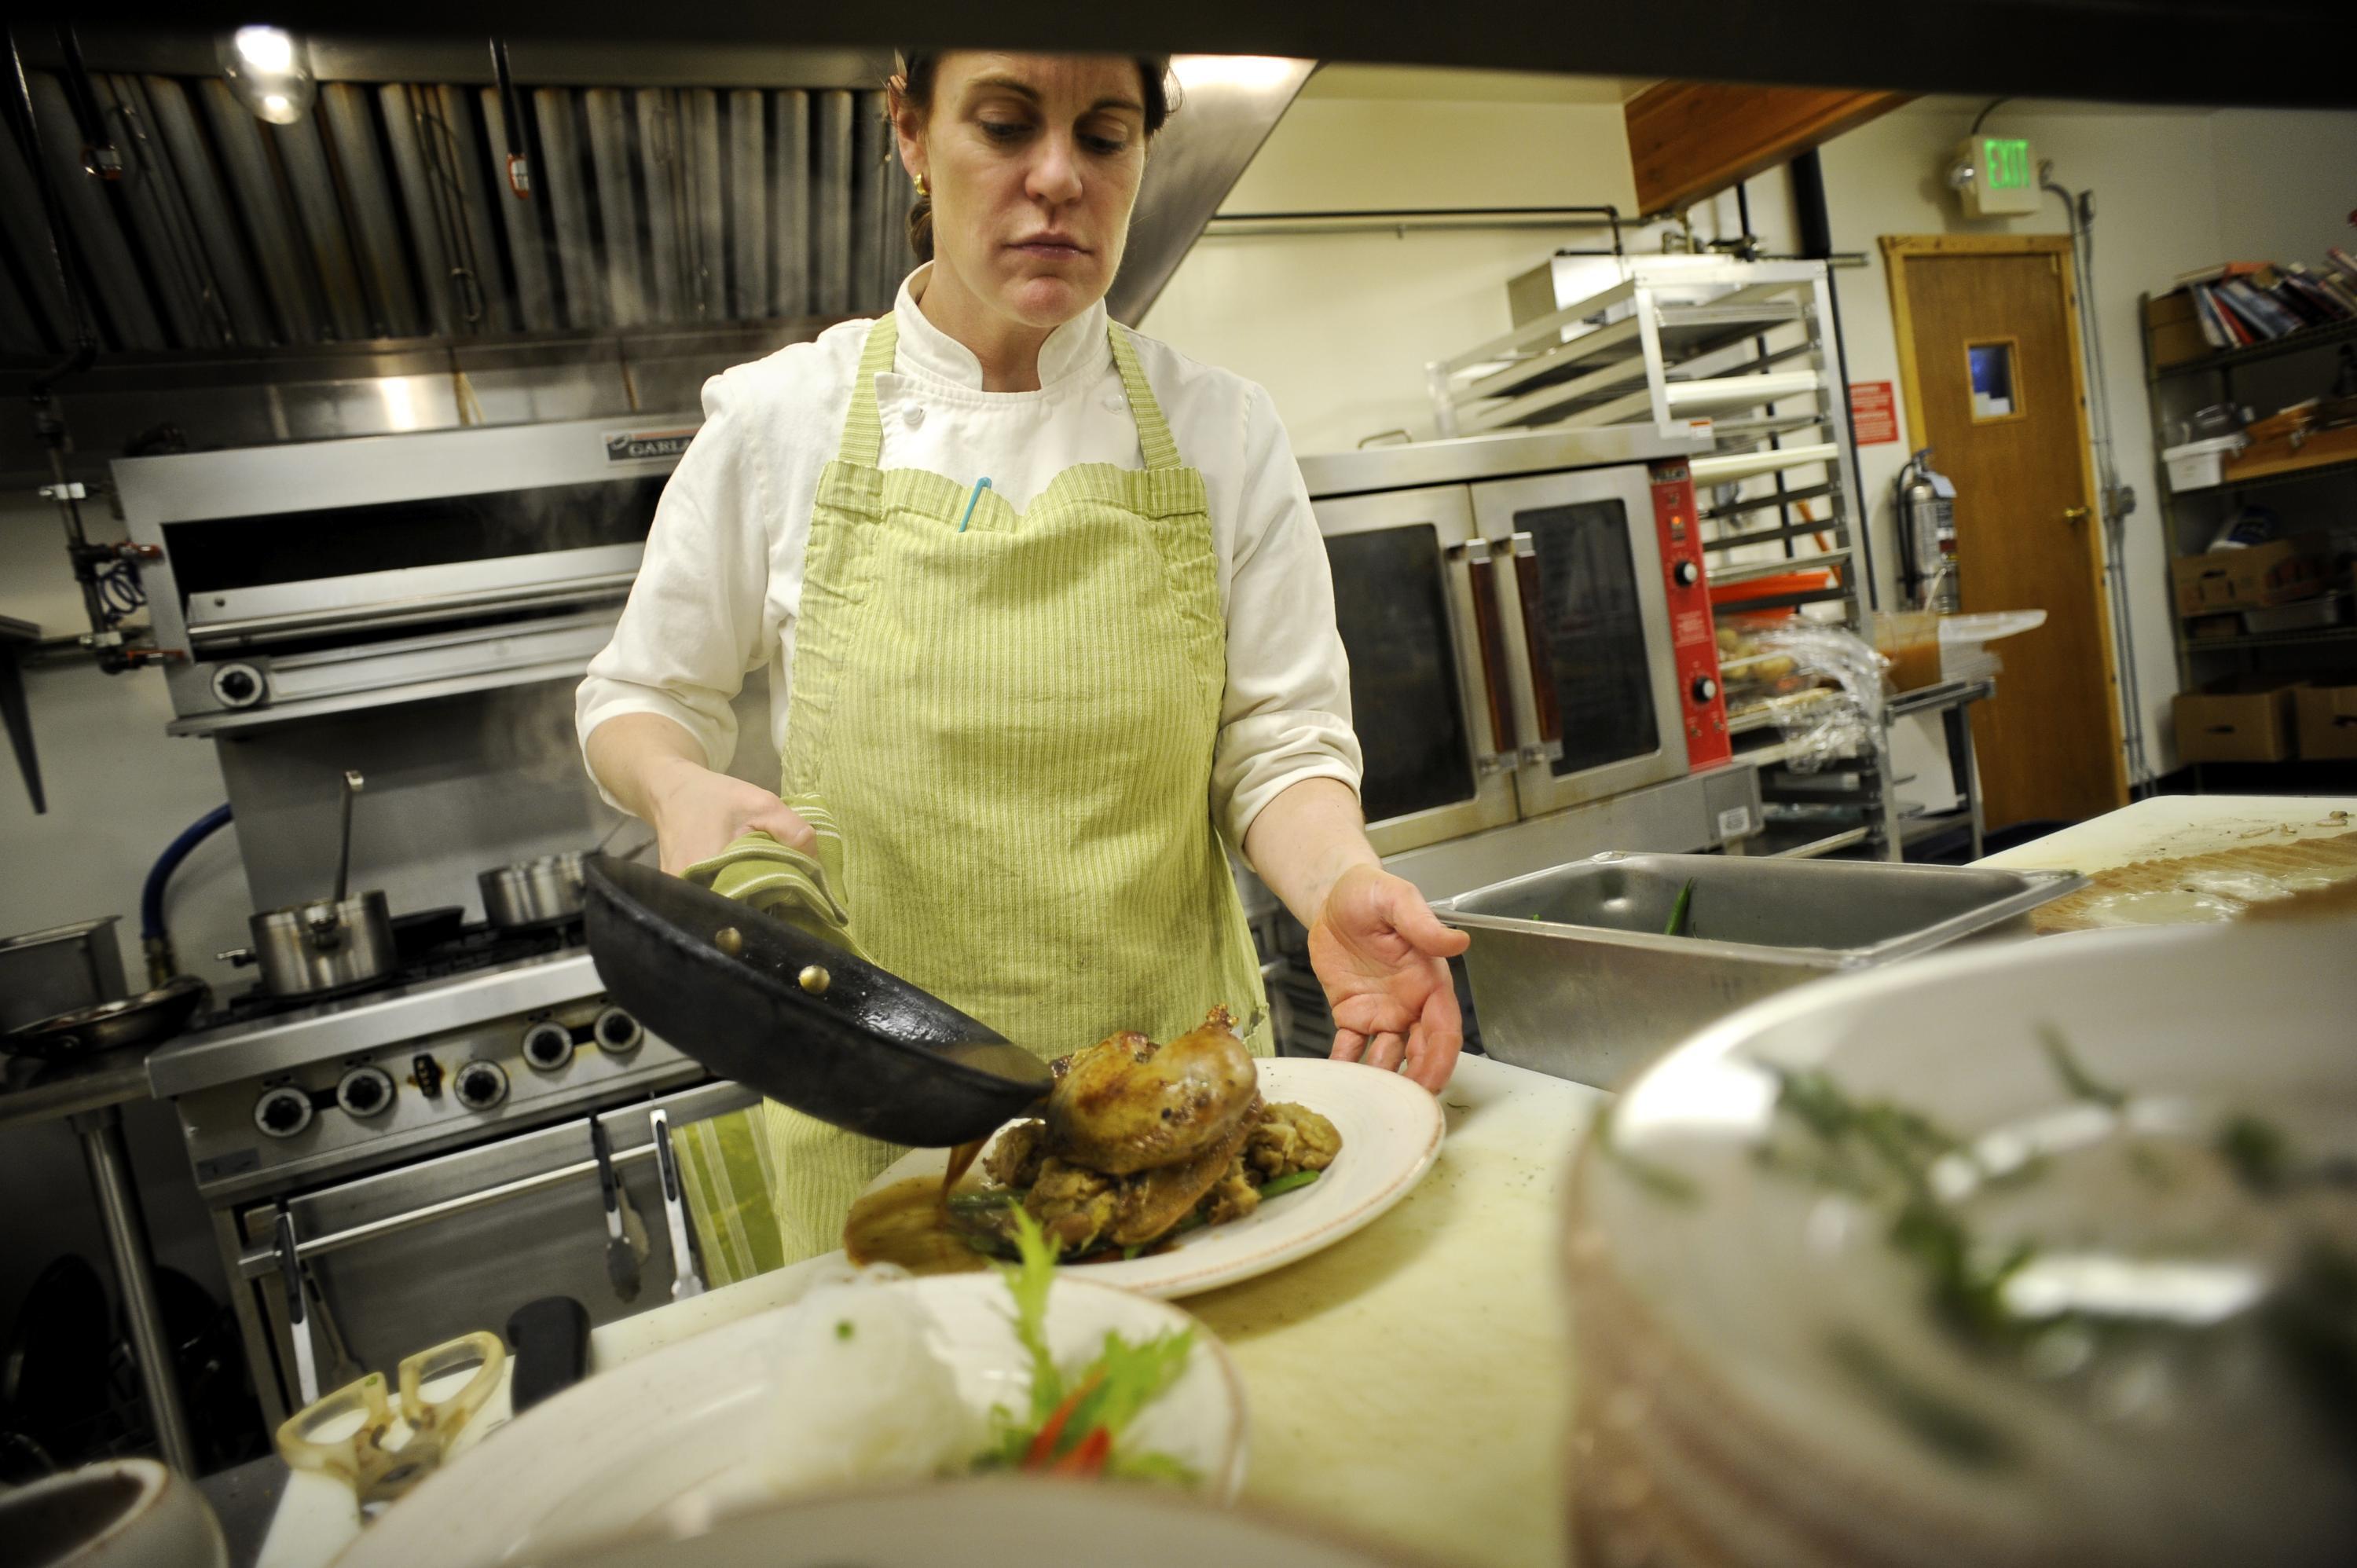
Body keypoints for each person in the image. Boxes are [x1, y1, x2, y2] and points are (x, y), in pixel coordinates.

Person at [577, 49, 1468, 1265]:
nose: (1058, 178)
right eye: (1004, 126)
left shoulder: (1219, 429)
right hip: (880, 1139)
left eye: (1104, 136)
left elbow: (1275, 745)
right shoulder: (783, 421)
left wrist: (1339, 880)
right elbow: (640, 695)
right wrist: (678, 785)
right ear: (910, 132)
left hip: (1171, 1126)